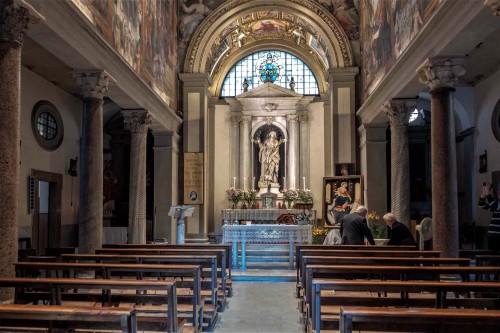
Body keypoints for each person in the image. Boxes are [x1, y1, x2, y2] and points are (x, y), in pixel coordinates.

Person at [478, 182, 500, 252]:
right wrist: (484, 192)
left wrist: (487, 189)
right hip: (492, 236)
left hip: (498, 237)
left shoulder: (498, 207)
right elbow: (481, 205)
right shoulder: (497, 207)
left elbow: (492, 202)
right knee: (491, 257)